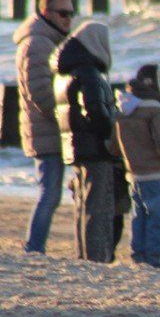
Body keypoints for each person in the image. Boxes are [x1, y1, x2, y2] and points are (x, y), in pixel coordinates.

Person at [14, 0, 75, 253]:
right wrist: (66, 120)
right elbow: (40, 92)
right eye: (62, 13)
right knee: (49, 194)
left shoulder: (48, 41)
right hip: (46, 131)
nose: (67, 19)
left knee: (51, 193)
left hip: (49, 131)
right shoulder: (37, 44)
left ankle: (35, 246)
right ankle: (33, 248)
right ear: (45, 13)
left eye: (71, 13)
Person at [54, 20, 119, 263]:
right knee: (97, 207)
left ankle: (84, 256)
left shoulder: (66, 72)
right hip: (94, 148)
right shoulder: (89, 74)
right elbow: (94, 109)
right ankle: (96, 258)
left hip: (76, 147)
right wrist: (108, 133)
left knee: (83, 205)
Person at [116, 63, 160, 269]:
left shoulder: (124, 108)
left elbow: (112, 144)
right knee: (157, 218)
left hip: (134, 173)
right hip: (156, 173)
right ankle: (155, 259)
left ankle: (138, 256)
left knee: (138, 217)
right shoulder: (156, 109)